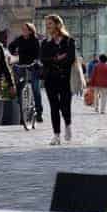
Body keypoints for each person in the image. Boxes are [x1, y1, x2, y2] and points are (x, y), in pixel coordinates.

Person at [40, 14, 77, 145]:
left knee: (65, 106)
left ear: (57, 24)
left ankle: (68, 124)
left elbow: (70, 58)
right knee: (54, 107)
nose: (48, 26)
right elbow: (43, 59)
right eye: (47, 24)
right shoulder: (45, 43)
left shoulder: (69, 41)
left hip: (65, 78)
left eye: (50, 23)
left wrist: (55, 60)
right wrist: (57, 59)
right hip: (50, 78)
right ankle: (56, 135)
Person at [8, 23, 43, 123]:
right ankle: (22, 113)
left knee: (35, 89)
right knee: (20, 87)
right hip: (22, 65)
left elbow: (39, 53)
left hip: (33, 66)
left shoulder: (35, 40)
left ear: (31, 31)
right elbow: (11, 46)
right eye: (22, 29)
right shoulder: (20, 39)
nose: (23, 31)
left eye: (25, 29)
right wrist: (14, 53)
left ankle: (39, 112)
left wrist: (37, 60)